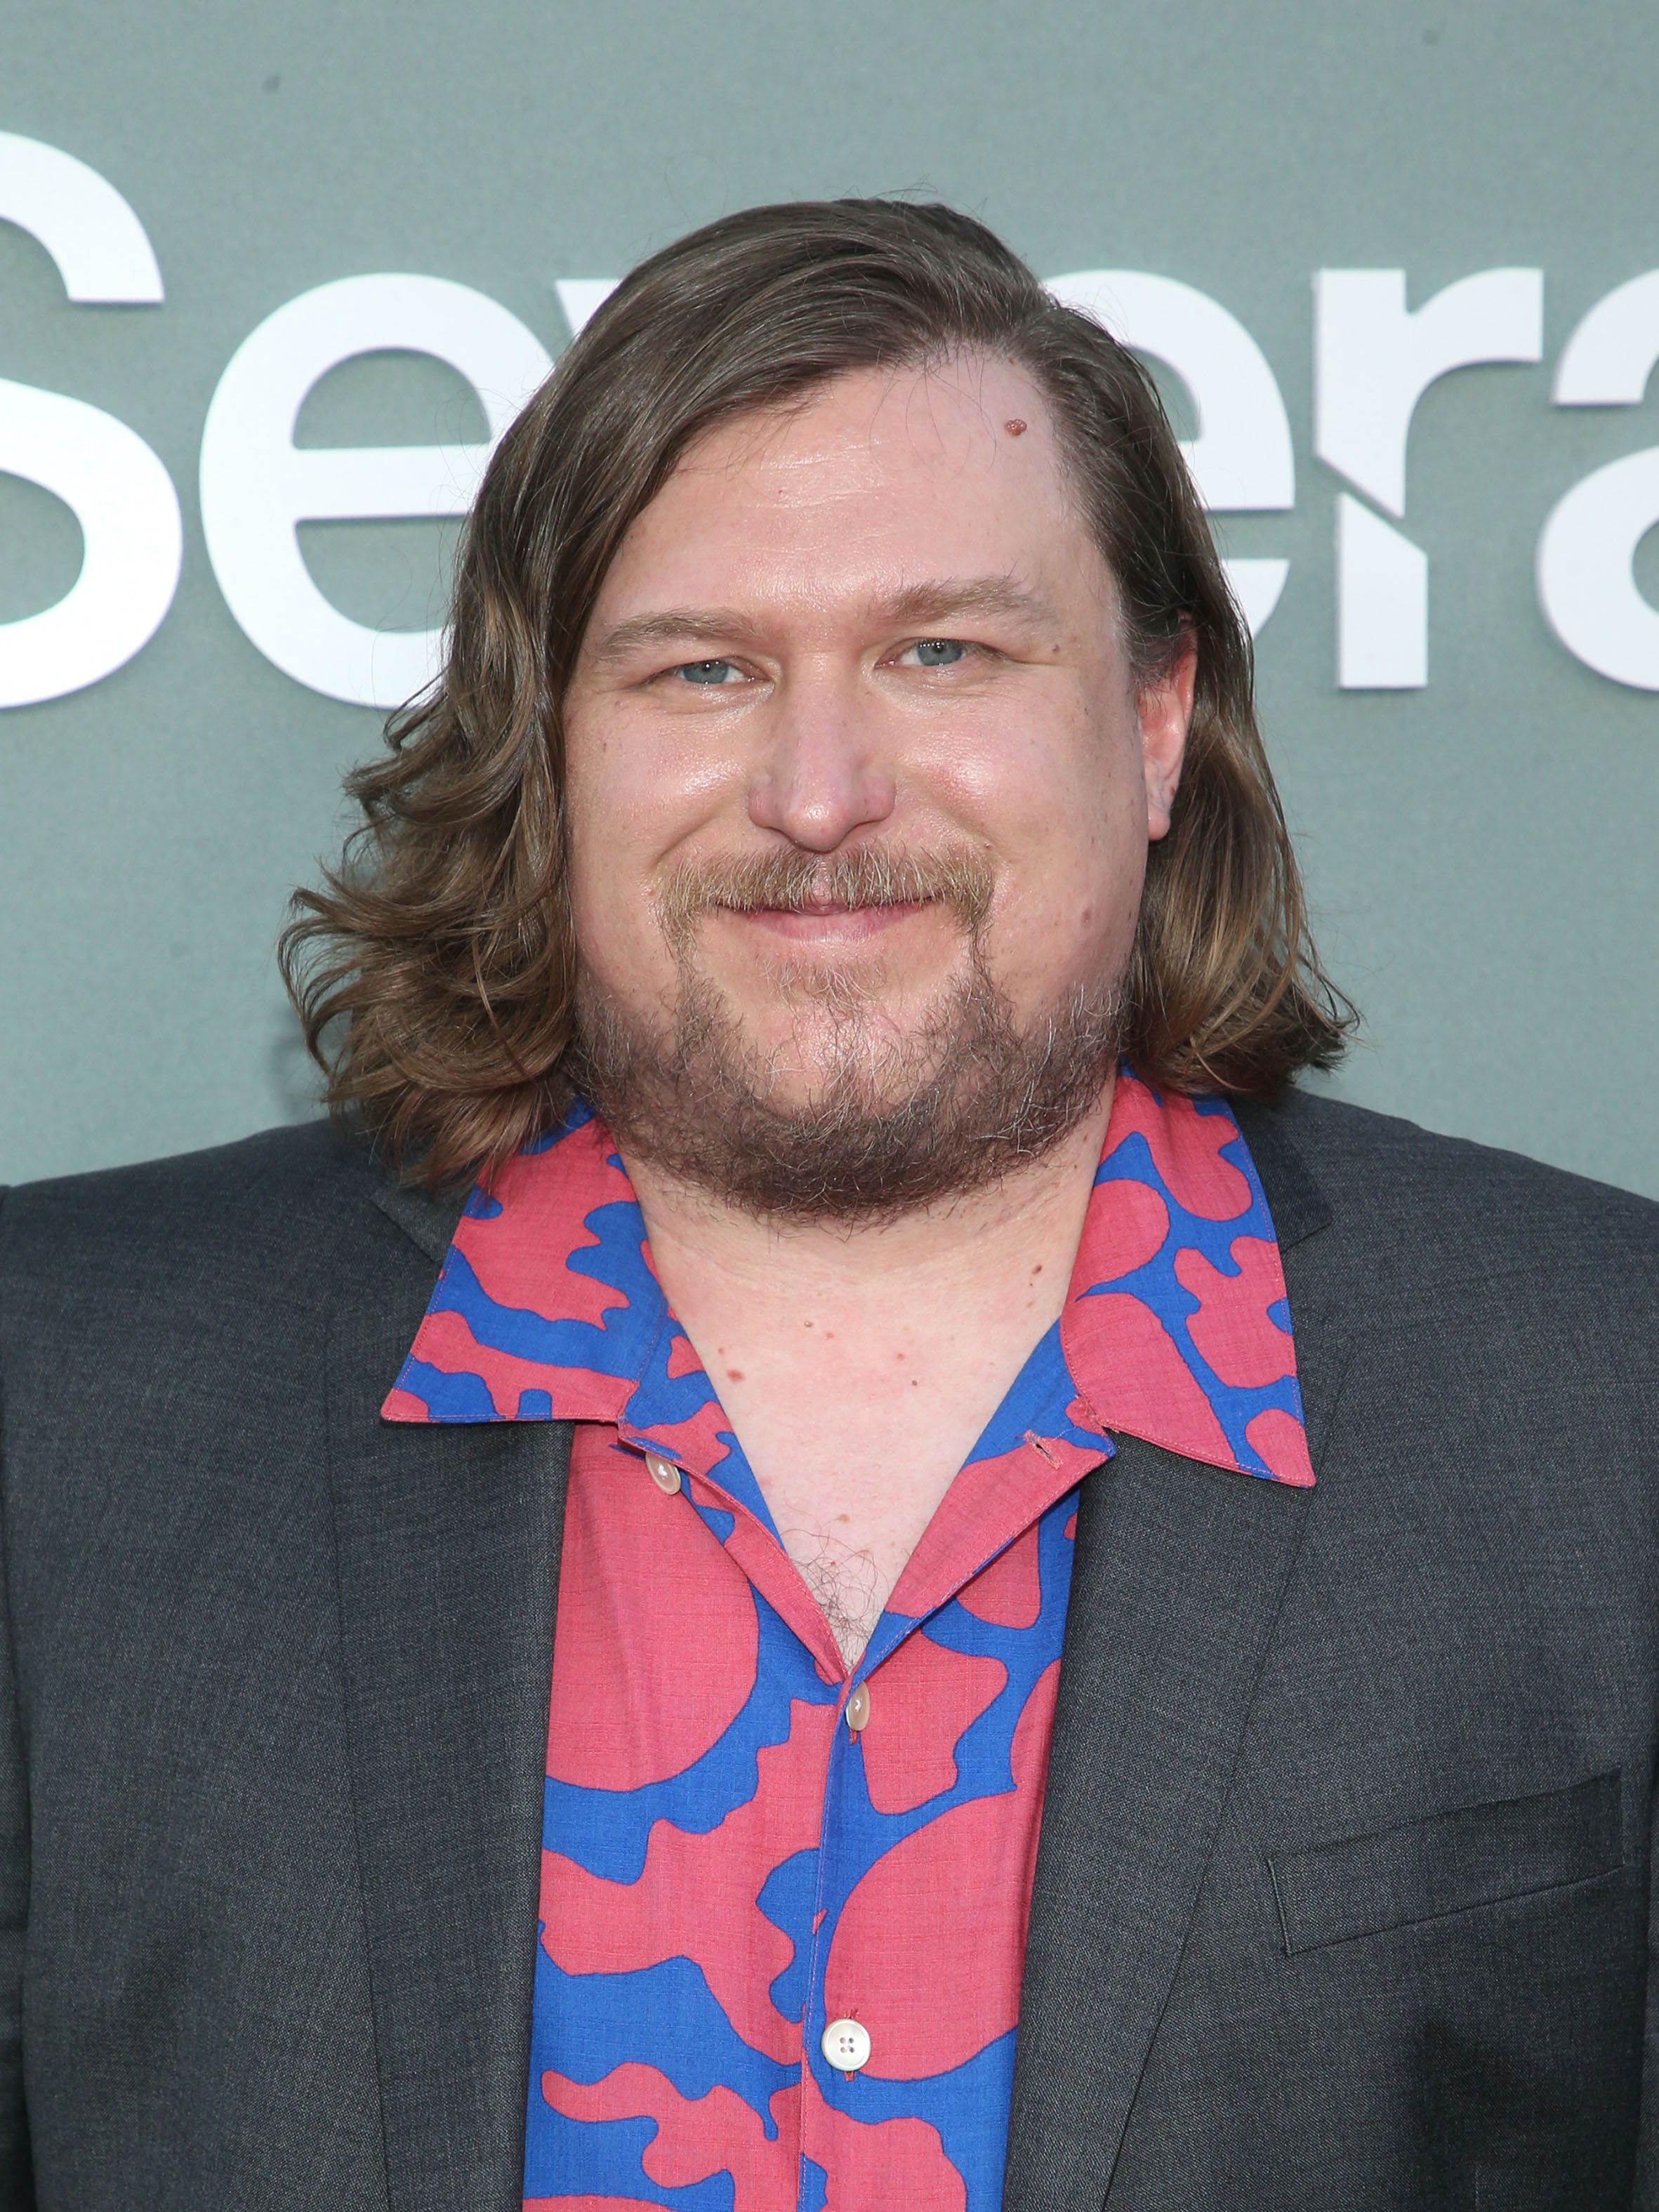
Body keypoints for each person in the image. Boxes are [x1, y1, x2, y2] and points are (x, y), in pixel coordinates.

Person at [0, 197, 1653, 2212]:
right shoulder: (51, 1414)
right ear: (550, 756)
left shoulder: (1606, 1402)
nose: (816, 790)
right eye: (699, 671)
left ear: (1149, 725)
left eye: (938, 650)